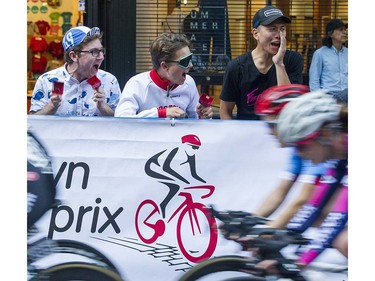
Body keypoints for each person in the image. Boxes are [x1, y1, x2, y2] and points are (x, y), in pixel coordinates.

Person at [256, 90, 348, 271]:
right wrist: (275, 242)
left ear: (325, 135)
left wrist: (300, 261)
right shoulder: (339, 157)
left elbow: (337, 217)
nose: (299, 154)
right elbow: (312, 207)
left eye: (302, 145)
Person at [253, 84, 325, 229]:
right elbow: (279, 193)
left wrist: (269, 230)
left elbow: (303, 200)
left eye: (272, 125)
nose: (270, 132)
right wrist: (247, 221)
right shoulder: (298, 148)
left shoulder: (319, 146)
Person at [219, 5, 304, 120]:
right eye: (272, 29)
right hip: (248, 133)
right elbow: (225, 111)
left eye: (282, 29)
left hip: (281, 133)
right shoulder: (237, 67)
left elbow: (290, 108)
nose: (278, 35)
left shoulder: (293, 60)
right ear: (255, 34)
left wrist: (279, 64)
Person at [114, 32, 213, 119]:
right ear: (165, 66)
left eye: (190, 59)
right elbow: (121, 119)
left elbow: (194, 121)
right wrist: (160, 113)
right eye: (185, 61)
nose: (191, 65)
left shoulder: (189, 83)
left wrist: (202, 117)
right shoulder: (137, 84)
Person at [29, 26, 121, 116]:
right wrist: (52, 106)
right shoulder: (46, 81)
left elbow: (121, 122)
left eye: (101, 51)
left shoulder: (109, 81)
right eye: (94, 52)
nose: (101, 57)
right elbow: (33, 122)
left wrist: (103, 107)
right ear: (74, 56)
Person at [309, 19, 348, 102]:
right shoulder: (320, 54)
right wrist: (319, 101)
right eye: (341, 30)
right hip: (329, 98)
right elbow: (314, 81)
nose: (345, 32)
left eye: (345, 29)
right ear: (331, 34)